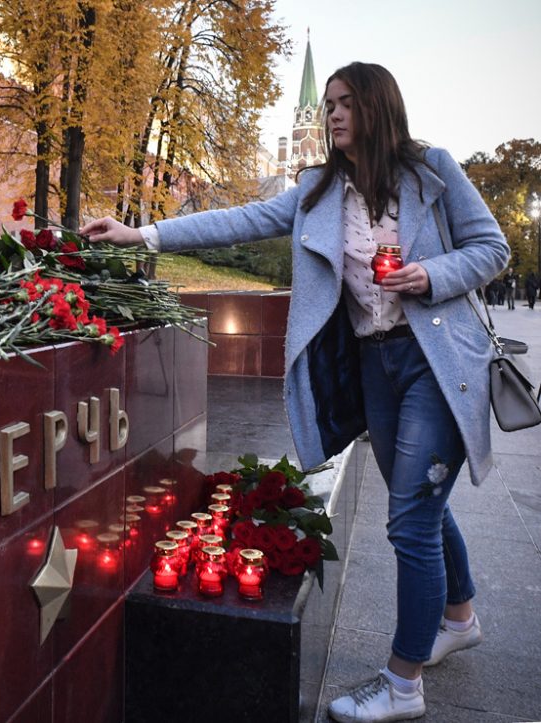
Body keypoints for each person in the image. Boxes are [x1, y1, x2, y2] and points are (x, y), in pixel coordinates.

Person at [82, 62, 508, 723]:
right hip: (375, 366)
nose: (333, 115)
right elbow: (240, 220)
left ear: (376, 106)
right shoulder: (318, 190)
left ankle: (403, 681)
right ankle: (459, 613)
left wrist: (430, 273)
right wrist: (147, 233)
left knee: (409, 521)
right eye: (329, 104)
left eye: (344, 104)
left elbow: (492, 248)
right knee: (414, 496)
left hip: (435, 363)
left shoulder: (432, 172)